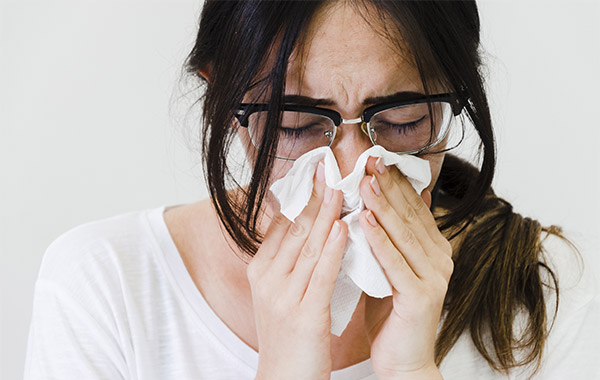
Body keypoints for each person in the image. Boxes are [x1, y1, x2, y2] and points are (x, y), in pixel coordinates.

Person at [24, 1, 598, 379]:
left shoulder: (538, 294)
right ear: (225, 103)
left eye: (402, 120)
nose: (350, 169)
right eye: (297, 123)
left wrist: (410, 371)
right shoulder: (104, 288)